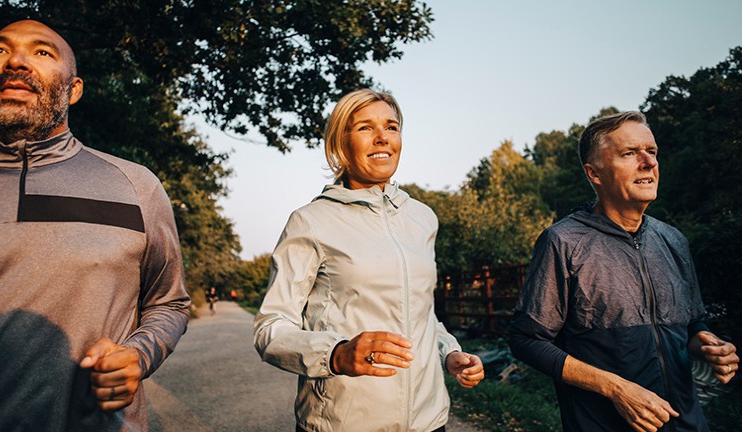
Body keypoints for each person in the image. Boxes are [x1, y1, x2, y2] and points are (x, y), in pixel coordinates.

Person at [0, 20, 190, 431]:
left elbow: (169, 302)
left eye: (41, 52)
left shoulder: (136, 185)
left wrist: (139, 355)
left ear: (74, 89)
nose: (16, 60)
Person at [253, 88, 484, 432]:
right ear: (340, 145)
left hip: (429, 420)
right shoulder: (311, 221)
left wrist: (448, 353)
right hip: (343, 423)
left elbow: (420, 314)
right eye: (364, 128)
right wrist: (337, 354)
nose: (381, 138)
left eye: (391, 127)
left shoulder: (423, 219)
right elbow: (270, 330)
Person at [508, 111, 739, 432]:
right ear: (595, 173)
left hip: (687, 422)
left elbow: (689, 326)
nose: (648, 162)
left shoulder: (673, 239)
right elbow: (525, 340)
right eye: (630, 153)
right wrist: (616, 388)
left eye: (652, 152)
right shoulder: (563, 241)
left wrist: (707, 343)